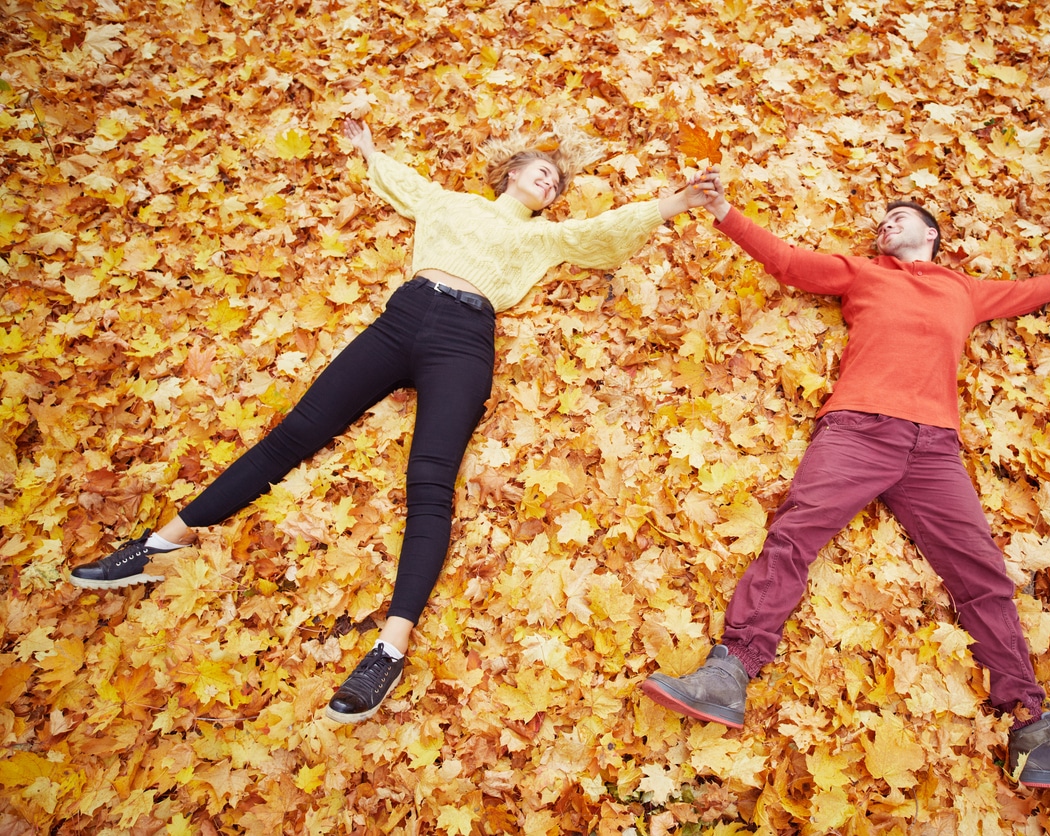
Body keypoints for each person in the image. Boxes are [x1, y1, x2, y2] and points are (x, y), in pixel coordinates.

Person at [70, 119, 715, 724]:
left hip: (464, 342)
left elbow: (600, 234)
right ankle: (160, 545)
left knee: (430, 482)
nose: (549, 182)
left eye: (557, 183)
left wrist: (672, 205)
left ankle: (390, 651)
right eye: (540, 170)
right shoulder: (450, 203)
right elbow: (403, 181)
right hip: (400, 321)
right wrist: (370, 149)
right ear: (510, 170)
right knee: (295, 434)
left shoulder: (542, 237)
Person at [641, 170, 1050, 793]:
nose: (887, 224)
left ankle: (1034, 731)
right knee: (794, 537)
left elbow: (1026, 292)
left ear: (932, 234)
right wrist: (725, 212)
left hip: (934, 450)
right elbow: (789, 262)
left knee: (983, 574)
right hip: (859, 431)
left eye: (900, 217)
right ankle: (728, 673)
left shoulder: (963, 290)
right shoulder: (864, 273)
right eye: (882, 221)